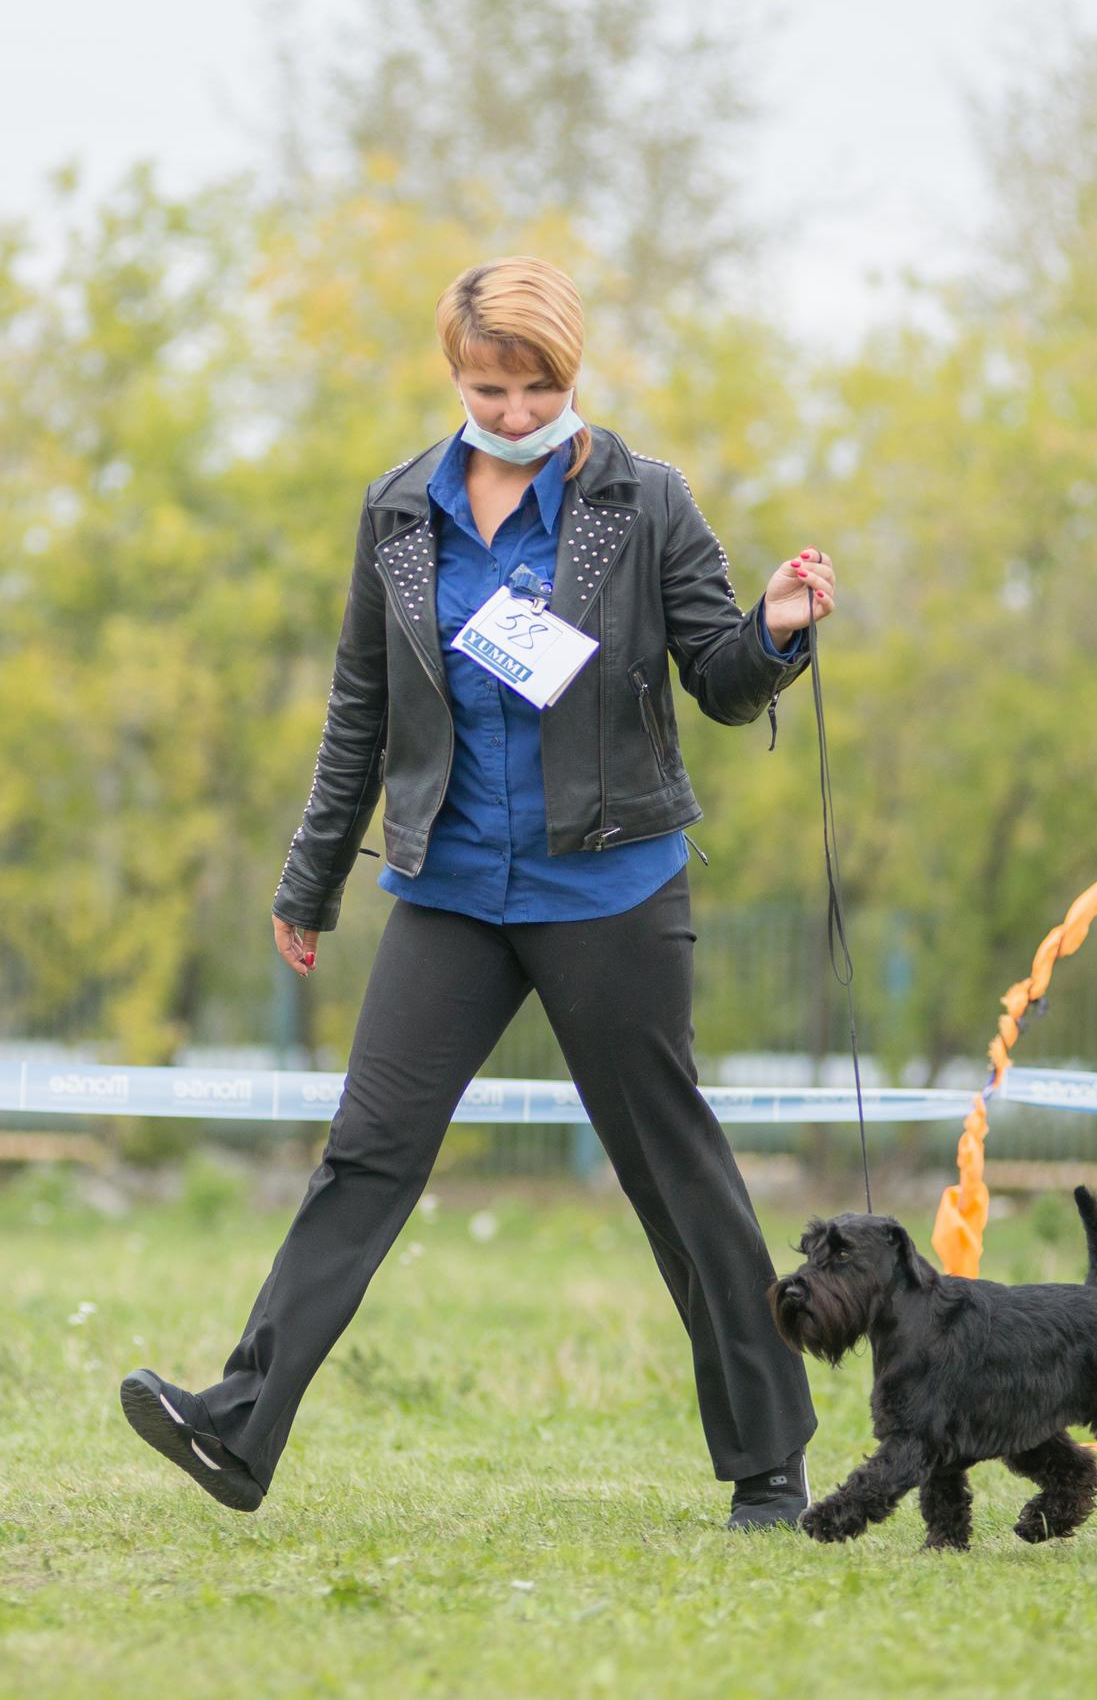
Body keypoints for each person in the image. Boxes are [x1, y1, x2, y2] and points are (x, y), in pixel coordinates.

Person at [120, 255, 841, 1530]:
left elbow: (719, 684)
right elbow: (361, 709)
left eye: (533, 386)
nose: (511, 411)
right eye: (486, 386)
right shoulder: (400, 512)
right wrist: (310, 880)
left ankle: (768, 1464)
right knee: (365, 1155)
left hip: (609, 886)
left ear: (571, 372)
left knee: (672, 1174)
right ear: (454, 376)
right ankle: (237, 1429)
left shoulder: (644, 501)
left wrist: (778, 626)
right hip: (449, 887)